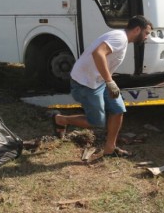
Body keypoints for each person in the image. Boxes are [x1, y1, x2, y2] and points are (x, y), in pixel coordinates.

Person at [52, 15, 153, 157]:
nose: (147, 37)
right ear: (137, 29)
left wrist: (108, 80)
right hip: (86, 83)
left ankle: (110, 149)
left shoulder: (121, 39)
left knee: (118, 109)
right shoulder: (119, 38)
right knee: (96, 122)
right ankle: (61, 119)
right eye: (147, 33)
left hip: (99, 81)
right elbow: (98, 53)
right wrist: (109, 81)